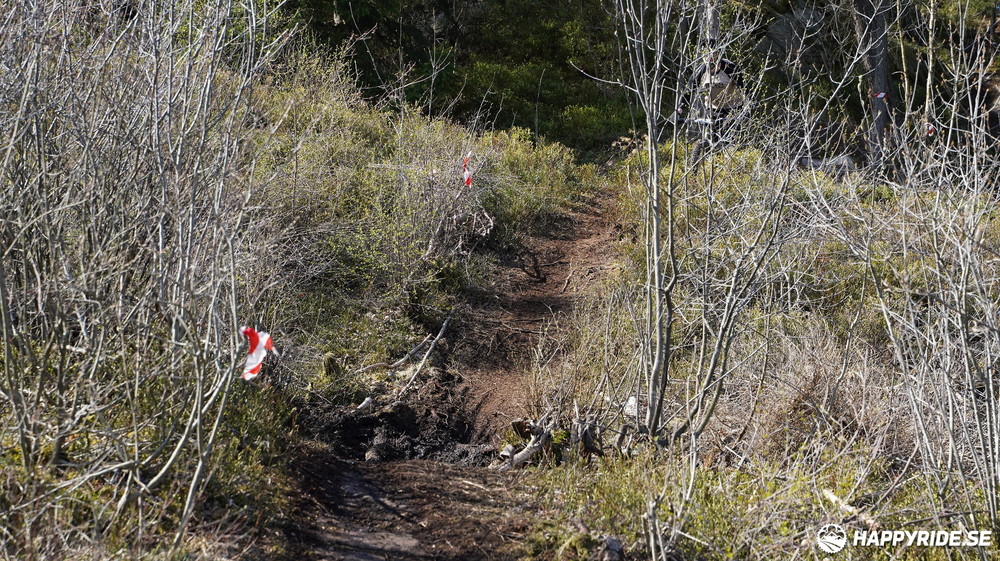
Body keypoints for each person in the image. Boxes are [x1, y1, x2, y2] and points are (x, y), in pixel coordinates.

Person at [675, 50, 747, 165]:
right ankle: (706, 162)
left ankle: (732, 163)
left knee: (728, 139)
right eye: (709, 65)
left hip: (733, 107)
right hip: (713, 108)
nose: (711, 69)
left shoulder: (730, 68)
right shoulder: (702, 70)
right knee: (711, 137)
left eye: (714, 65)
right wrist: (679, 110)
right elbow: (689, 91)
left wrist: (747, 105)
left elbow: (744, 88)